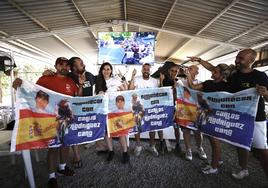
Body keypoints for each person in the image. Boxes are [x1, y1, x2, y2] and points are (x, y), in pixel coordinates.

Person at [190, 49, 268, 180]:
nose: (237, 60)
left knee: (262, 151)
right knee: (240, 144)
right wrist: (199, 60)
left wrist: (265, 93)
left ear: (251, 61)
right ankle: (243, 169)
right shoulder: (233, 74)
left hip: (255, 118)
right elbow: (214, 68)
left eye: (241, 58)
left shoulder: (260, 76)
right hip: (235, 116)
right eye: (237, 57)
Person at [13, 57, 82, 188]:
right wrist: (20, 83)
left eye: (67, 65)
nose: (64, 67)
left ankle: (62, 167)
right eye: (61, 64)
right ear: (56, 66)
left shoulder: (71, 82)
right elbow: (31, 92)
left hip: (65, 120)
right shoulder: (45, 79)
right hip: (49, 120)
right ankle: (51, 176)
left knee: (65, 145)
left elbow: (76, 99)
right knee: (53, 148)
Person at [186, 58, 233, 174]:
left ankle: (213, 167)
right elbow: (192, 87)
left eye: (215, 72)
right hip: (208, 115)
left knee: (214, 141)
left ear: (222, 75)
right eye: (213, 71)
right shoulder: (208, 83)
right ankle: (218, 160)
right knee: (213, 140)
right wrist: (188, 75)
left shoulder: (228, 86)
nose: (212, 73)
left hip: (219, 116)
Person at [95, 62, 129, 163]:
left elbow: (125, 91)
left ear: (111, 70)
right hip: (104, 111)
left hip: (116, 111)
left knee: (120, 132)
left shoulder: (115, 80)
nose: (106, 71)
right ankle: (111, 151)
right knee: (107, 132)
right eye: (104, 69)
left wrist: (123, 80)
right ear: (101, 70)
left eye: (108, 69)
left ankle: (125, 152)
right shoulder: (98, 82)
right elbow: (96, 97)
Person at [129, 63, 163, 156]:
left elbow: (160, 92)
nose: (146, 70)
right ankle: (138, 146)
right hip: (138, 107)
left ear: (150, 71)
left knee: (152, 127)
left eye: (148, 69)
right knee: (138, 126)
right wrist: (132, 76)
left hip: (151, 107)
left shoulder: (155, 81)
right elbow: (130, 89)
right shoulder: (137, 79)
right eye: (144, 68)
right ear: (142, 70)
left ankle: (152, 145)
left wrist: (161, 80)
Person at [177, 65, 207, 161]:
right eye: (188, 68)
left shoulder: (200, 83)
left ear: (197, 73)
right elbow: (175, 91)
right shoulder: (181, 82)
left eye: (191, 69)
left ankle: (199, 148)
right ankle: (188, 149)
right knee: (186, 131)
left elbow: (194, 90)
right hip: (185, 110)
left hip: (197, 111)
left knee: (198, 132)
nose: (188, 70)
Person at [159, 63, 182, 155]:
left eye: (176, 71)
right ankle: (161, 143)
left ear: (178, 72)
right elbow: (160, 93)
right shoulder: (164, 80)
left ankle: (178, 144)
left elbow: (178, 97)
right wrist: (161, 82)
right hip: (164, 106)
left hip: (174, 107)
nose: (174, 73)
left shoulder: (179, 82)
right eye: (172, 71)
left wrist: (175, 89)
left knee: (176, 126)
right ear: (169, 71)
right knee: (160, 125)